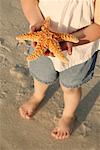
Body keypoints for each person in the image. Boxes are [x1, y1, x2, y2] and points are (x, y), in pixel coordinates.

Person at [19, 0, 100, 140]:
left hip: (79, 51)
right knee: (41, 76)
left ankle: (68, 115)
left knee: (70, 86)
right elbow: (28, 2)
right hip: (41, 43)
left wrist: (71, 40)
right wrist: (37, 22)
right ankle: (37, 96)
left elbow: (98, 26)